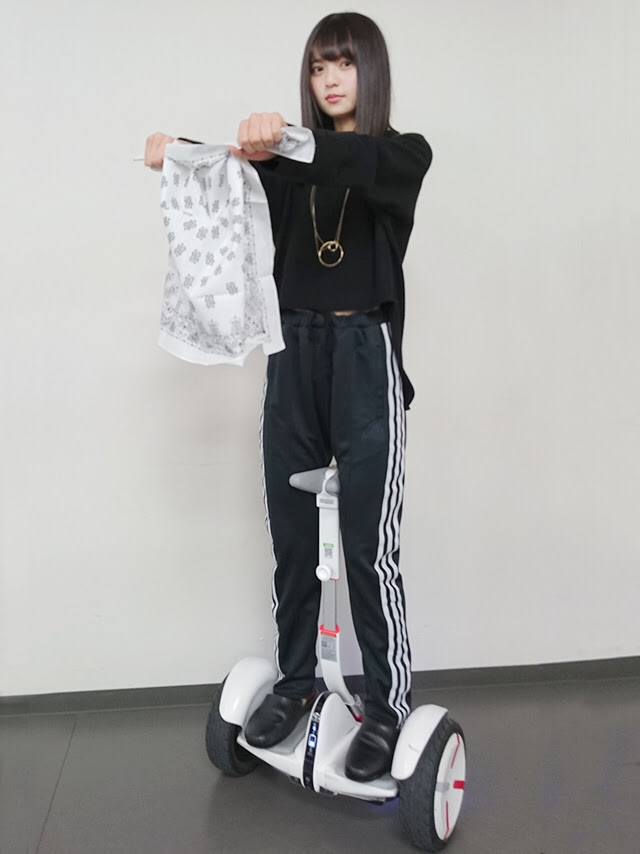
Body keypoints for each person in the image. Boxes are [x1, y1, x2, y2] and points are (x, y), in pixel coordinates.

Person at [145, 11, 432, 782]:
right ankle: (299, 681)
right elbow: (226, 177)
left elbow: (350, 161)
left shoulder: (401, 155)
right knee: (294, 540)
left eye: (344, 63)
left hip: (364, 357)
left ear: (371, 71)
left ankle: (385, 706)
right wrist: (176, 152)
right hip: (293, 356)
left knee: (368, 548)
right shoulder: (283, 170)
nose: (330, 79)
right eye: (317, 66)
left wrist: (283, 141)